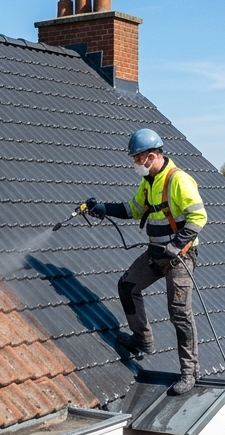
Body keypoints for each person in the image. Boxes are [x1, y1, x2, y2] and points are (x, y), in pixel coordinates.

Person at [87, 128, 207, 396]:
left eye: (138, 159)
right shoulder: (149, 182)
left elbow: (199, 218)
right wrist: (104, 209)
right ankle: (142, 340)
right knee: (127, 286)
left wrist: (176, 246)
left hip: (180, 258)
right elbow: (133, 209)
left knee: (179, 313)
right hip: (156, 253)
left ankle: (190, 372)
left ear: (152, 156)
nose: (135, 164)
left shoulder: (178, 180)